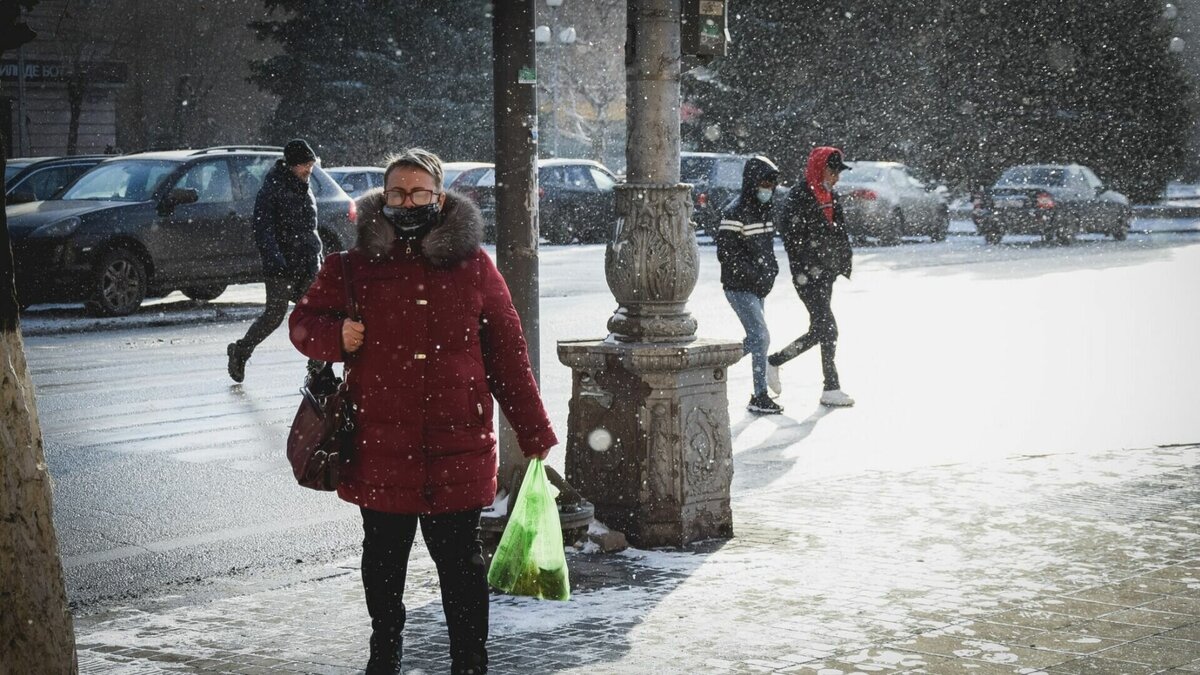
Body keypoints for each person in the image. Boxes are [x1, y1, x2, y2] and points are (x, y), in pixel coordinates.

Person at [289, 148, 557, 675]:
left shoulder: (475, 267)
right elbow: (302, 324)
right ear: (382, 198)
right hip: (379, 442)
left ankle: (469, 662)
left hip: (458, 441)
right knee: (384, 562)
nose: (406, 201)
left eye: (418, 193)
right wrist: (334, 336)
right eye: (396, 192)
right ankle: (384, 653)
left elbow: (507, 353)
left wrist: (533, 429)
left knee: (460, 566)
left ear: (439, 198)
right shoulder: (352, 266)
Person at [227, 138, 323, 382]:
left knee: (315, 315)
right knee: (274, 316)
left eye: (311, 164)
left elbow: (310, 229)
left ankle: (318, 368)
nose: (309, 169)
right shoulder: (272, 190)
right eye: (305, 165)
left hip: (307, 264)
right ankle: (241, 350)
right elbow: (264, 231)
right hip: (281, 267)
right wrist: (276, 261)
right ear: (291, 165)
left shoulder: (305, 187)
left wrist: (317, 256)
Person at [767, 146, 856, 407]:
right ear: (820, 169)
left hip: (826, 274)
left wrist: (839, 262)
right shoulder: (800, 197)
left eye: (838, 172)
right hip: (808, 276)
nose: (836, 177)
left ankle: (825, 384)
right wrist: (812, 263)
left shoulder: (830, 196)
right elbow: (793, 238)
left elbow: (839, 232)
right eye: (832, 171)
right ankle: (826, 384)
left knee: (821, 330)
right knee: (827, 328)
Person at [716, 155, 782, 414]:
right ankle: (758, 393)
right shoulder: (735, 212)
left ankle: (720, 363)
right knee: (760, 337)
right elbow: (727, 254)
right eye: (764, 183)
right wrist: (755, 276)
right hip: (739, 287)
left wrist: (769, 273)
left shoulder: (763, 210)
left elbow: (767, 250)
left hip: (757, 286)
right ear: (753, 182)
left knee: (757, 338)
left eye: (771, 184)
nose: (768, 189)